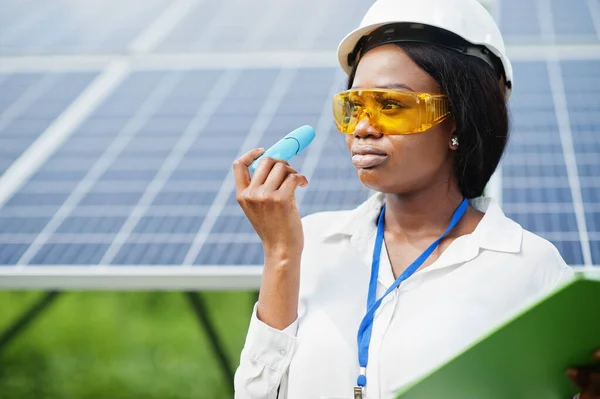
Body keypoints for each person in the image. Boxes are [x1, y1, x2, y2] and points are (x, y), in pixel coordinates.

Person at [231, 0, 600, 397]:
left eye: (391, 105)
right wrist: (281, 254)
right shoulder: (310, 244)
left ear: (459, 120)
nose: (363, 128)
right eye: (354, 107)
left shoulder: (530, 268)